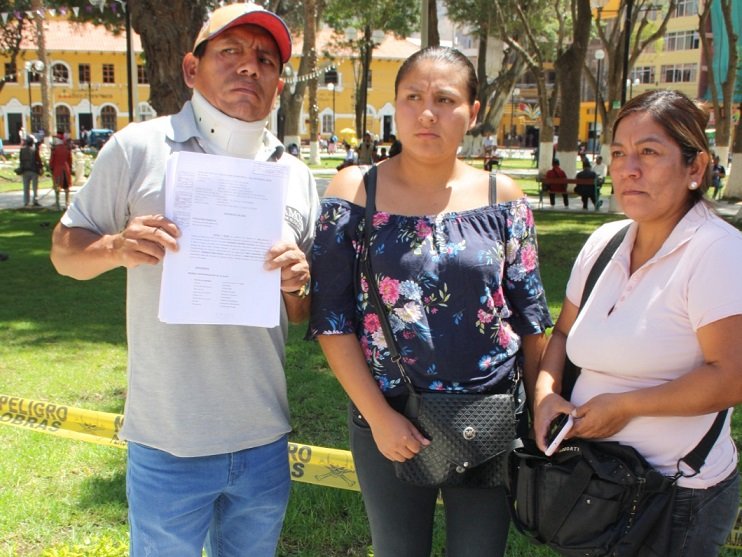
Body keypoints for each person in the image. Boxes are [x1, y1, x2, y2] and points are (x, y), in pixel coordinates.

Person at [50, 4, 319, 556]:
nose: (250, 67)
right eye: (231, 52)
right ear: (192, 70)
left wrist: (300, 286)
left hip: (264, 437)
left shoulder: (293, 175)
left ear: (278, 82)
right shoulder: (138, 148)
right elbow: (63, 252)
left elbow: (302, 313)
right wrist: (118, 247)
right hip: (168, 440)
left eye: (265, 59)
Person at [307, 46, 552, 557]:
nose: (427, 113)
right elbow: (332, 319)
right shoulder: (356, 189)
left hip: (488, 414)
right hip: (391, 416)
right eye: (412, 97)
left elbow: (531, 320)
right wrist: (378, 417)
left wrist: (539, 413)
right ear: (394, 105)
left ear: (474, 112)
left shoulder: (502, 198)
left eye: (445, 99)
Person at [534, 90, 742, 557]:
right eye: (618, 153)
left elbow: (732, 377)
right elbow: (563, 333)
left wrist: (625, 407)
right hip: (593, 481)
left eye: (649, 152)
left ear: (695, 167)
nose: (628, 168)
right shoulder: (606, 241)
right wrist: (546, 395)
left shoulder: (717, 252)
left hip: (674, 497)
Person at [49, 132, 73, 210]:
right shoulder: (67, 148)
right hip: (66, 169)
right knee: (66, 188)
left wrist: (51, 168)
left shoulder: (54, 149)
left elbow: (52, 161)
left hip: (57, 169)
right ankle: (67, 203)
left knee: (57, 187)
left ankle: (58, 204)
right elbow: (70, 160)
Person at [19, 136, 42, 207]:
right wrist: (40, 168)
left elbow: (21, 160)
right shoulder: (34, 151)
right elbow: (38, 160)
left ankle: (26, 201)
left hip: (25, 170)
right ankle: (35, 201)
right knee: (35, 187)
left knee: (26, 187)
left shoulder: (22, 150)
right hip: (33, 170)